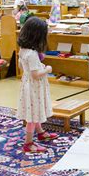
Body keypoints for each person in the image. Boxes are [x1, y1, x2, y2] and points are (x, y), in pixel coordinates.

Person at [17, 17, 58, 153]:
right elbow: (35, 74)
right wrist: (47, 69)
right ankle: (28, 143)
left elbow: (21, 66)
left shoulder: (23, 49)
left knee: (34, 109)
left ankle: (40, 132)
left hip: (28, 85)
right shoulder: (32, 54)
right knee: (33, 115)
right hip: (34, 86)